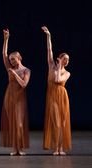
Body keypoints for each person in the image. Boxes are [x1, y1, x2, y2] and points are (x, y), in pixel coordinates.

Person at [0, 29, 31, 156]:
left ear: (20, 58)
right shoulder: (9, 68)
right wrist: (6, 39)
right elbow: (3, 53)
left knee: (19, 123)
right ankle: (15, 148)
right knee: (12, 122)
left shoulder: (26, 70)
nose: (12, 61)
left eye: (14, 59)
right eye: (11, 60)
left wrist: (14, 74)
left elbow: (24, 84)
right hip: (9, 96)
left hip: (20, 97)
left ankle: (20, 148)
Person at [42, 26, 71, 155]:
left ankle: (61, 148)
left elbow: (59, 80)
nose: (67, 61)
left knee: (63, 124)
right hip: (53, 96)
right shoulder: (52, 66)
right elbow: (49, 50)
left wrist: (60, 68)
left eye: (68, 60)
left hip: (63, 96)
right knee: (57, 123)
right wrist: (49, 36)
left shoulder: (67, 73)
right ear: (60, 58)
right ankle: (56, 148)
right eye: (65, 59)